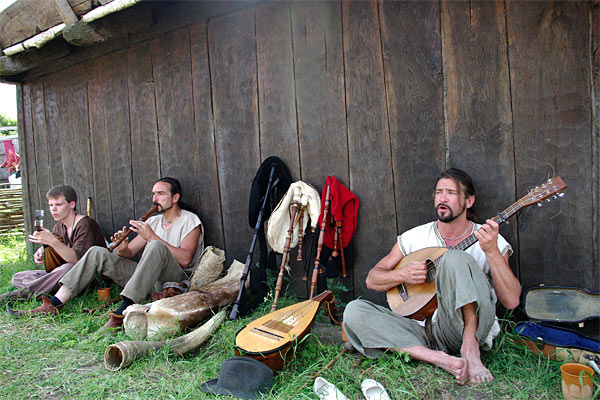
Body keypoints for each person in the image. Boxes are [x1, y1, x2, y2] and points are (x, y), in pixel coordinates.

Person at [343, 168, 521, 384]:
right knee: (354, 311)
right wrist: (403, 274)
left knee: (454, 258)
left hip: (461, 328)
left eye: (451, 193)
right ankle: (435, 358)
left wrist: (492, 251)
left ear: (469, 201)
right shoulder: (414, 237)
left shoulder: (490, 239)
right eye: (438, 192)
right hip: (418, 329)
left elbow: (511, 301)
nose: (442, 199)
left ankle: (470, 348)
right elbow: (372, 279)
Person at [8, 177, 204, 334]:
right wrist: (122, 246)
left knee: (155, 247)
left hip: (174, 281)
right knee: (97, 252)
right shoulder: (152, 222)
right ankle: (55, 304)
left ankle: (120, 314)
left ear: (175, 197)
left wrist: (153, 238)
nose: (154, 199)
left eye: (160, 194)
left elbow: (185, 259)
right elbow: (128, 254)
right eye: (153, 194)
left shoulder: (189, 220)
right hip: (147, 279)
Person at [0, 185, 105, 304]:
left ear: (72, 204)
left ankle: (19, 295)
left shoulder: (85, 224)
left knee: (67, 268)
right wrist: (42, 250)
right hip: (63, 274)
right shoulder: (59, 226)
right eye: (51, 205)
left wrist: (51, 241)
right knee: (18, 276)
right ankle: (47, 288)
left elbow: (77, 260)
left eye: (58, 205)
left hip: (89, 277)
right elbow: (56, 247)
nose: (53, 209)